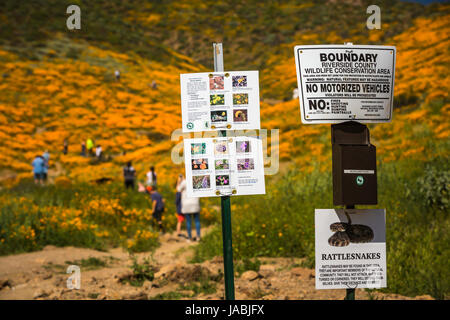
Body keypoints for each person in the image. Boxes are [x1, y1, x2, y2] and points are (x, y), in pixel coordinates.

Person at [177, 175, 201, 242]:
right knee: (197, 221)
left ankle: (189, 237)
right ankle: (198, 237)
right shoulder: (196, 180)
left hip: (186, 204)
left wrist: (179, 181)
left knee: (188, 221)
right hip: (195, 203)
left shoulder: (184, 182)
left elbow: (178, 189)